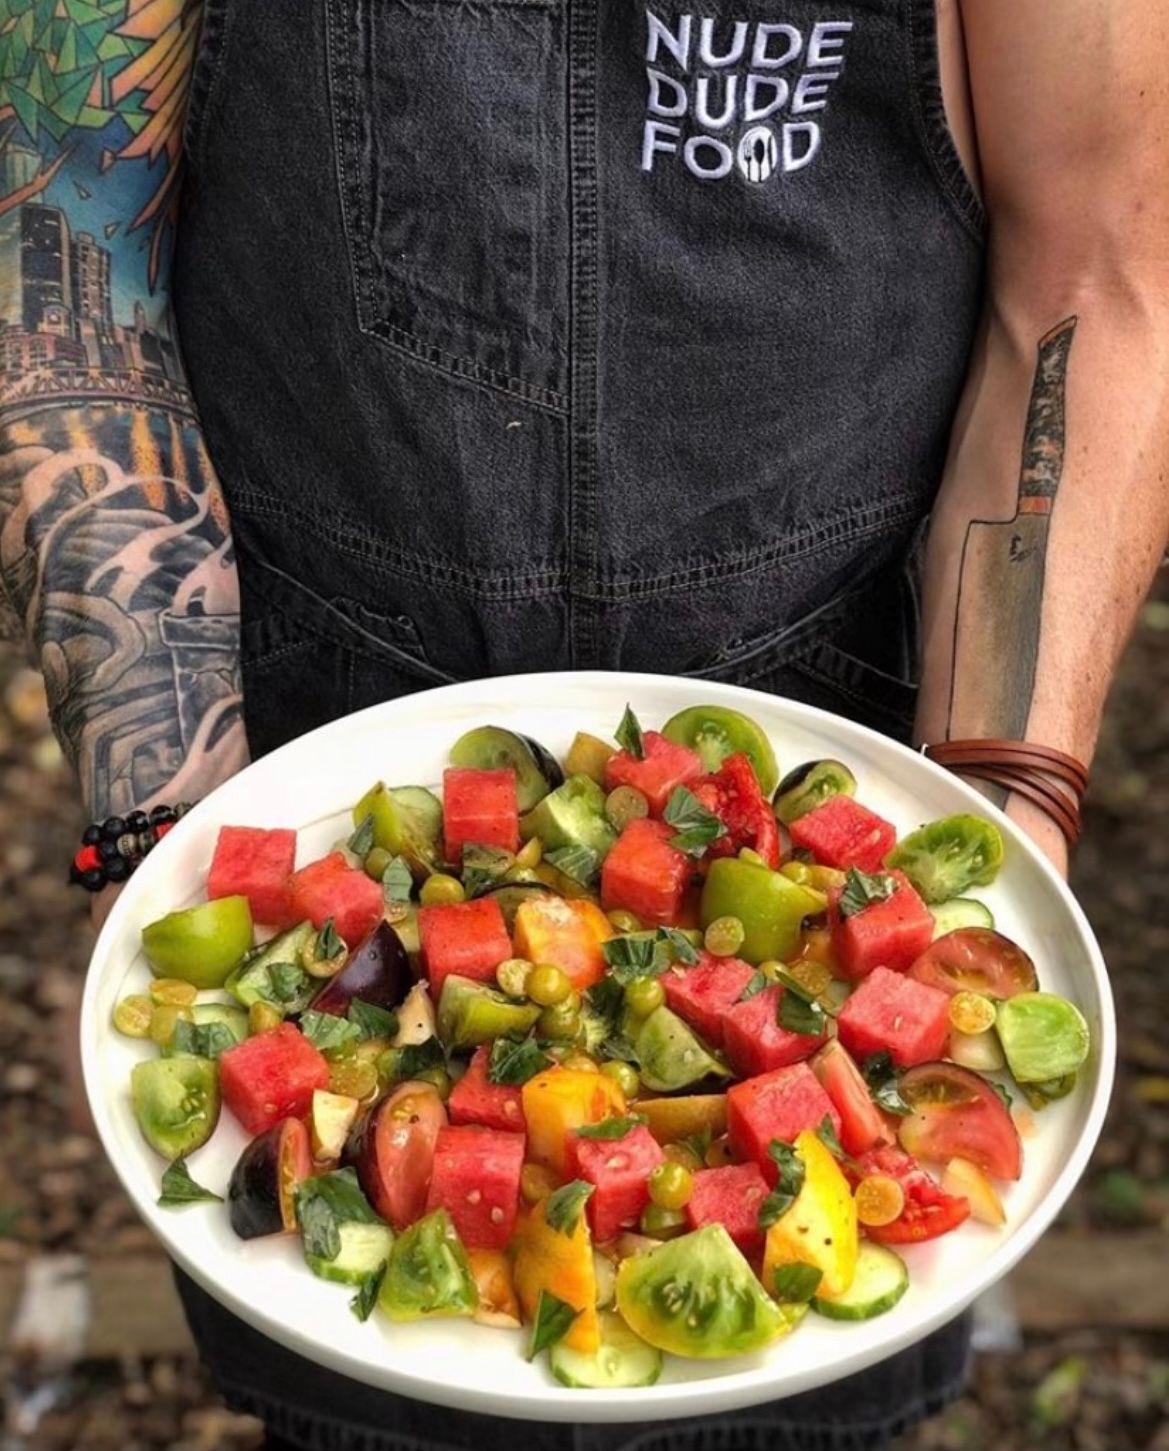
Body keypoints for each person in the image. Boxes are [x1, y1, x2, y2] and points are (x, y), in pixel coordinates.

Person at [1, 0, 1166, 1446]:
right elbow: (64, 274)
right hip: (307, 761)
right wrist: (171, 851)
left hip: (842, 747)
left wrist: (993, 827)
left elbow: (1093, 270)